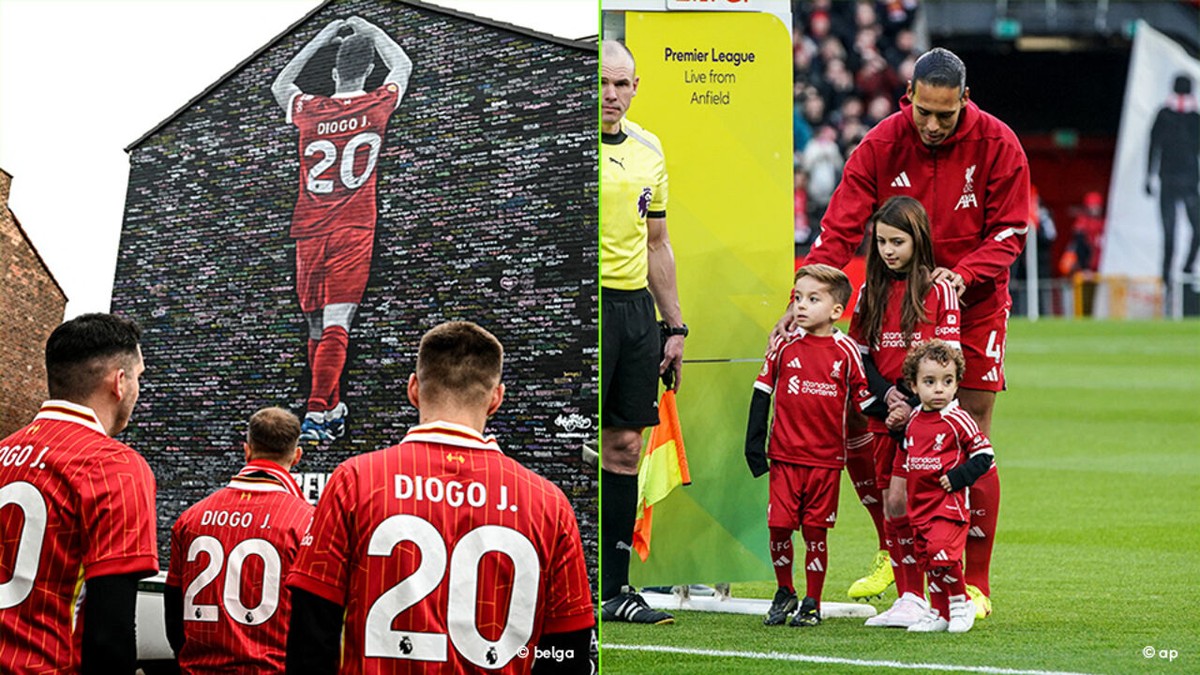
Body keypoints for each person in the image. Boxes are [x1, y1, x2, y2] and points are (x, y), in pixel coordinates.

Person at [780, 47, 1029, 617]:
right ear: (907, 98)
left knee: (970, 428)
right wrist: (803, 294)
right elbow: (838, 228)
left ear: (965, 100)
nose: (935, 125)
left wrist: (961, 277)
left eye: (947, 114)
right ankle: (900, 559)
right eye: (925, 113)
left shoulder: (999, 144)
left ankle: (974, 583)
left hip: (976, 304)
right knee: (879, 422)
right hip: (895, 302)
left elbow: (1011, 231)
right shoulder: (881, 143)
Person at [284, 321, 594, 673]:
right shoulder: (548, 503)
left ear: (413, 389)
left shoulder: (354, 481)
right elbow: (568, 648)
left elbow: (312, 629)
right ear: (496, 399)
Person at [272, 16, 413, 442]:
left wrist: (322, 35)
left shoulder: (310, 108)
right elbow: (402, 64)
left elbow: (280, 82)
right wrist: (367, 29)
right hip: (353, 224)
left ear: (334, 72)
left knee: (315, 326)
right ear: (368, 71)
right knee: (337, 323)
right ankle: (317, 413)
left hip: (309, 227)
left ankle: (329, 407)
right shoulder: (376, 103)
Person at [0, 313, 157, 673]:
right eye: (138, 377)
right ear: (119, 382)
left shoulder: (3, 453)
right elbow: (110, 631)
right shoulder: (115, 466)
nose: (137, 389)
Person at [599, 39, 685, 625]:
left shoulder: (650, 148)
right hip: (585, 304)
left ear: (636, 87)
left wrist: (674, 324)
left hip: (634, 314)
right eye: (602, 83)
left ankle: (615, 588)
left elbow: (656, 243)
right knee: (570, 441)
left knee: (626, 446)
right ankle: (566, 577)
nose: (611, 94)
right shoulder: (564, 140)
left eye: (622, 84)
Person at [845, 196, 961, 626]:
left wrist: (910, 403)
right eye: (881, 242)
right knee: (892, 506)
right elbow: (861, 354)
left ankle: (941, 599)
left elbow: (947, 358)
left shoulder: (940, 288)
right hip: (884, 414)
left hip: (928, 419)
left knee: (917, 506)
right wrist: (887, 397)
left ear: (919, 240)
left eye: (897, 241)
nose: (888, 250)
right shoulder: (870, 290)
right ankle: (910, 596)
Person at [745, 264, 878, 628]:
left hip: (826, 461)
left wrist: (898, 416)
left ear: (836, 311)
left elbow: (865, 401)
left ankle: (813, 601)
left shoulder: (847, 350)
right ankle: (785, 590)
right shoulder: (784, 345)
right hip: (785, 456)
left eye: (812, 299)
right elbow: (762, 392)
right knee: (778, 527)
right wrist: (753, 445)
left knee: (815, 531)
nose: (801, 306)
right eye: (798, 298)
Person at [164, 407, 314, 673]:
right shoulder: (307, 522)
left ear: (247, 450)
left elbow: (173, 616)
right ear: (297, 456)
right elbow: (314, 623)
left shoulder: (190, 518)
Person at [894, 340, 994, 633]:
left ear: (956, 384)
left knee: (944, 555)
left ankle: (961, 603)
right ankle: (939, 611)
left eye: (947, 381)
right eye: (930, 381)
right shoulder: (913, 419)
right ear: (913, 386)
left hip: (947, 505)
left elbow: (985, 454)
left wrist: (958, 477)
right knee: (928, 560)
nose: (939, 389)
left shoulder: (957, 418)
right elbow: (909, 452)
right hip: (919, 506)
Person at [1145, 73, 1200, 287]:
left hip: (1188, 181)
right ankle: (1167, 280)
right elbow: (1153, 146)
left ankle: (1186, 269)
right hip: (1168, 179)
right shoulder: (1164, 115)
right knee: (1169, 234)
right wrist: (1149, 176)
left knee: (1197, 228)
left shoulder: (1194, 118)